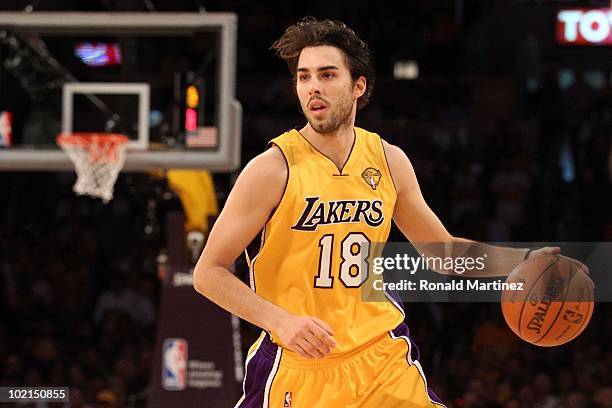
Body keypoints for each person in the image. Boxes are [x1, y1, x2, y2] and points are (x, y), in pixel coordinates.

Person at [193, 17, 566, 407]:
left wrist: (522, 261)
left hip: (381, 357)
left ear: (359, 86)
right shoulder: (272, 168)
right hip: (301, 364)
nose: (313, 87)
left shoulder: (389, 160)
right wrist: (279, 321)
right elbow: (208, 272)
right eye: (303, 77)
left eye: (327, 74)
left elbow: (444, 252)